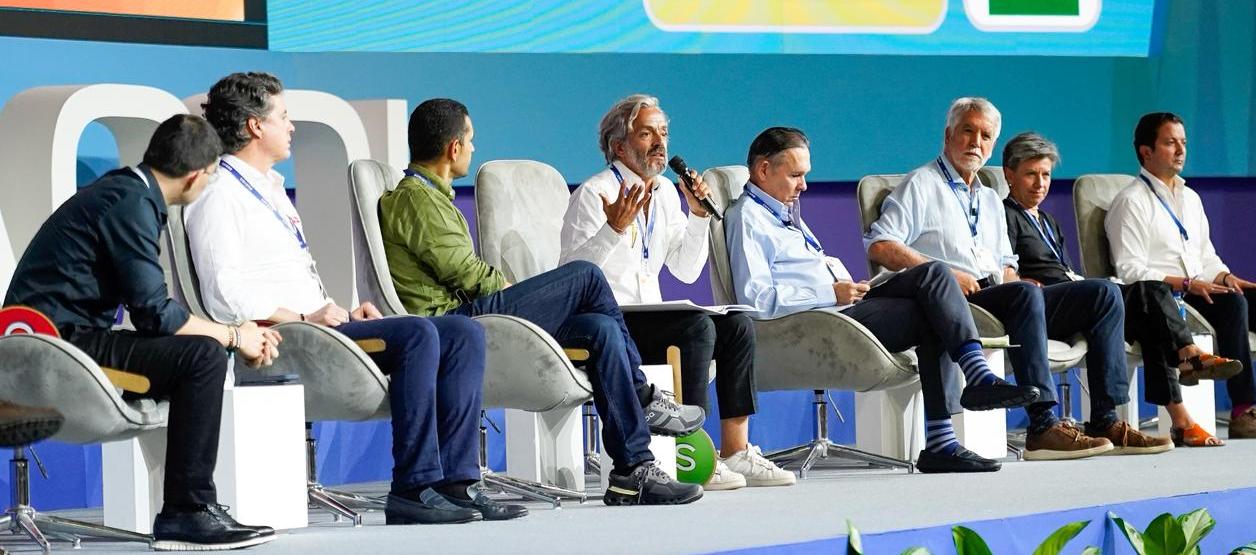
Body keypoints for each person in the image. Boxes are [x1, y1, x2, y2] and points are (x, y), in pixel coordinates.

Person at [187, 72, 524, 525]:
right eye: (283, 117)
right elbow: (223, 294)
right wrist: (308, 315)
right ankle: (413, 486)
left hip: (320, 324)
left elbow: (290, 279)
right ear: (253, 126)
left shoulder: (269, 189)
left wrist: (342, 311)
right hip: (283, 336)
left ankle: (459, 483)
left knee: (462, 332)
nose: (291, 127)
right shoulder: (220, 194)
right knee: (419, 333)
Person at [379, 98, 704, 505]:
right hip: (452, 322)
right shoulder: (416, 199)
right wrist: (521, 290)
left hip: (467, 313)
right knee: (585, 276)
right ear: (453, 148)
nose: (474, 148)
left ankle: (631, 471)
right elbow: (468, 275)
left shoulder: (433, 197)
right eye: (471, 139)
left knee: (600, 329)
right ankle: (640, 394)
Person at [4, 114, 278, 551]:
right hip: (52, 348)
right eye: (210, 178)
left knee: (192, 353)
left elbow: (151, 312)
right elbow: (155, 315)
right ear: (195, 176)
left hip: (61, 339)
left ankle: (191, 506)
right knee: (202, 356)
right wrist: (233, 336)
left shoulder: (127, 192)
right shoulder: (130, 204)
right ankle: (187, 512)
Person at [865, 97, 1173, 460]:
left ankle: (1105, 419)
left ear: (993, 144)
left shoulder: (991, 199)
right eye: (967, 131)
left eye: (985, 135)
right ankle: (1042, 426)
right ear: (948, 135)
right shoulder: (922, 184)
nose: (975, 142)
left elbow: (1006, 264)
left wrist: (1013, 278)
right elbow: (881, 245)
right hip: (953, 301)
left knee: (1103, 294)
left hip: (998, 295)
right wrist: (949, 273)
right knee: (1024, 295)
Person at [726, 126, 1040, 473]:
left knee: (932, 286)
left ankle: (943, 436)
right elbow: (755, 300)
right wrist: (829, 292)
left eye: (805, 175)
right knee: (934, 279)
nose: (804, 186)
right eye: (796, 175)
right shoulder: (747, 218)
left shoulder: (784, 212)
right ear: (764, 170)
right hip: (816, 320)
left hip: (842, 305)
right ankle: (968, 390)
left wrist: (845, 287)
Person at [561, 94, 792, 490]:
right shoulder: (594, 193)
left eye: (663, 133)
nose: (659, 142)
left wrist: (699, 216)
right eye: (647, 133)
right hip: (611, 324)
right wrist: (611, 230)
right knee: (697, 327)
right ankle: (695, 453)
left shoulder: (667, 193)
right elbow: (571, 277)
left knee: (737, 325)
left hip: (652, 316)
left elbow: (684, 272)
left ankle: (735, 450)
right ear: (619, 146)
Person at [1001, 131, 1241, 447]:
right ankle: (1185, 355)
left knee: (1150, 310)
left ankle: (1160, 419)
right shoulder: (1005, 214)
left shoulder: (1047, 220)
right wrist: (1019, 281)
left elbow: (1066, 271)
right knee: (1126, 292)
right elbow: (1003, 267)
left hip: (1074, 296)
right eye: (1030, 174)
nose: (1040, 183)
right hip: (1042, 302)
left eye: (1045, 174)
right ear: (1009, 174)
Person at [1106, 112, 1256, 440]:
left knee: (1240, 297)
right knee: (1232, 307)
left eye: (1183, 143)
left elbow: (1206, 255)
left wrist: (1225, 276)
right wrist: (1185, 282)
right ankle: (1237, 402)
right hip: (1157, 295)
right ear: (1146, 152)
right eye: (1170, 142)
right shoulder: (1131, 201)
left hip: (1196, 288)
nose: (1180, 150)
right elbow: (1130, 270)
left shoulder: (1191, 198)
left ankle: (1244, 409)